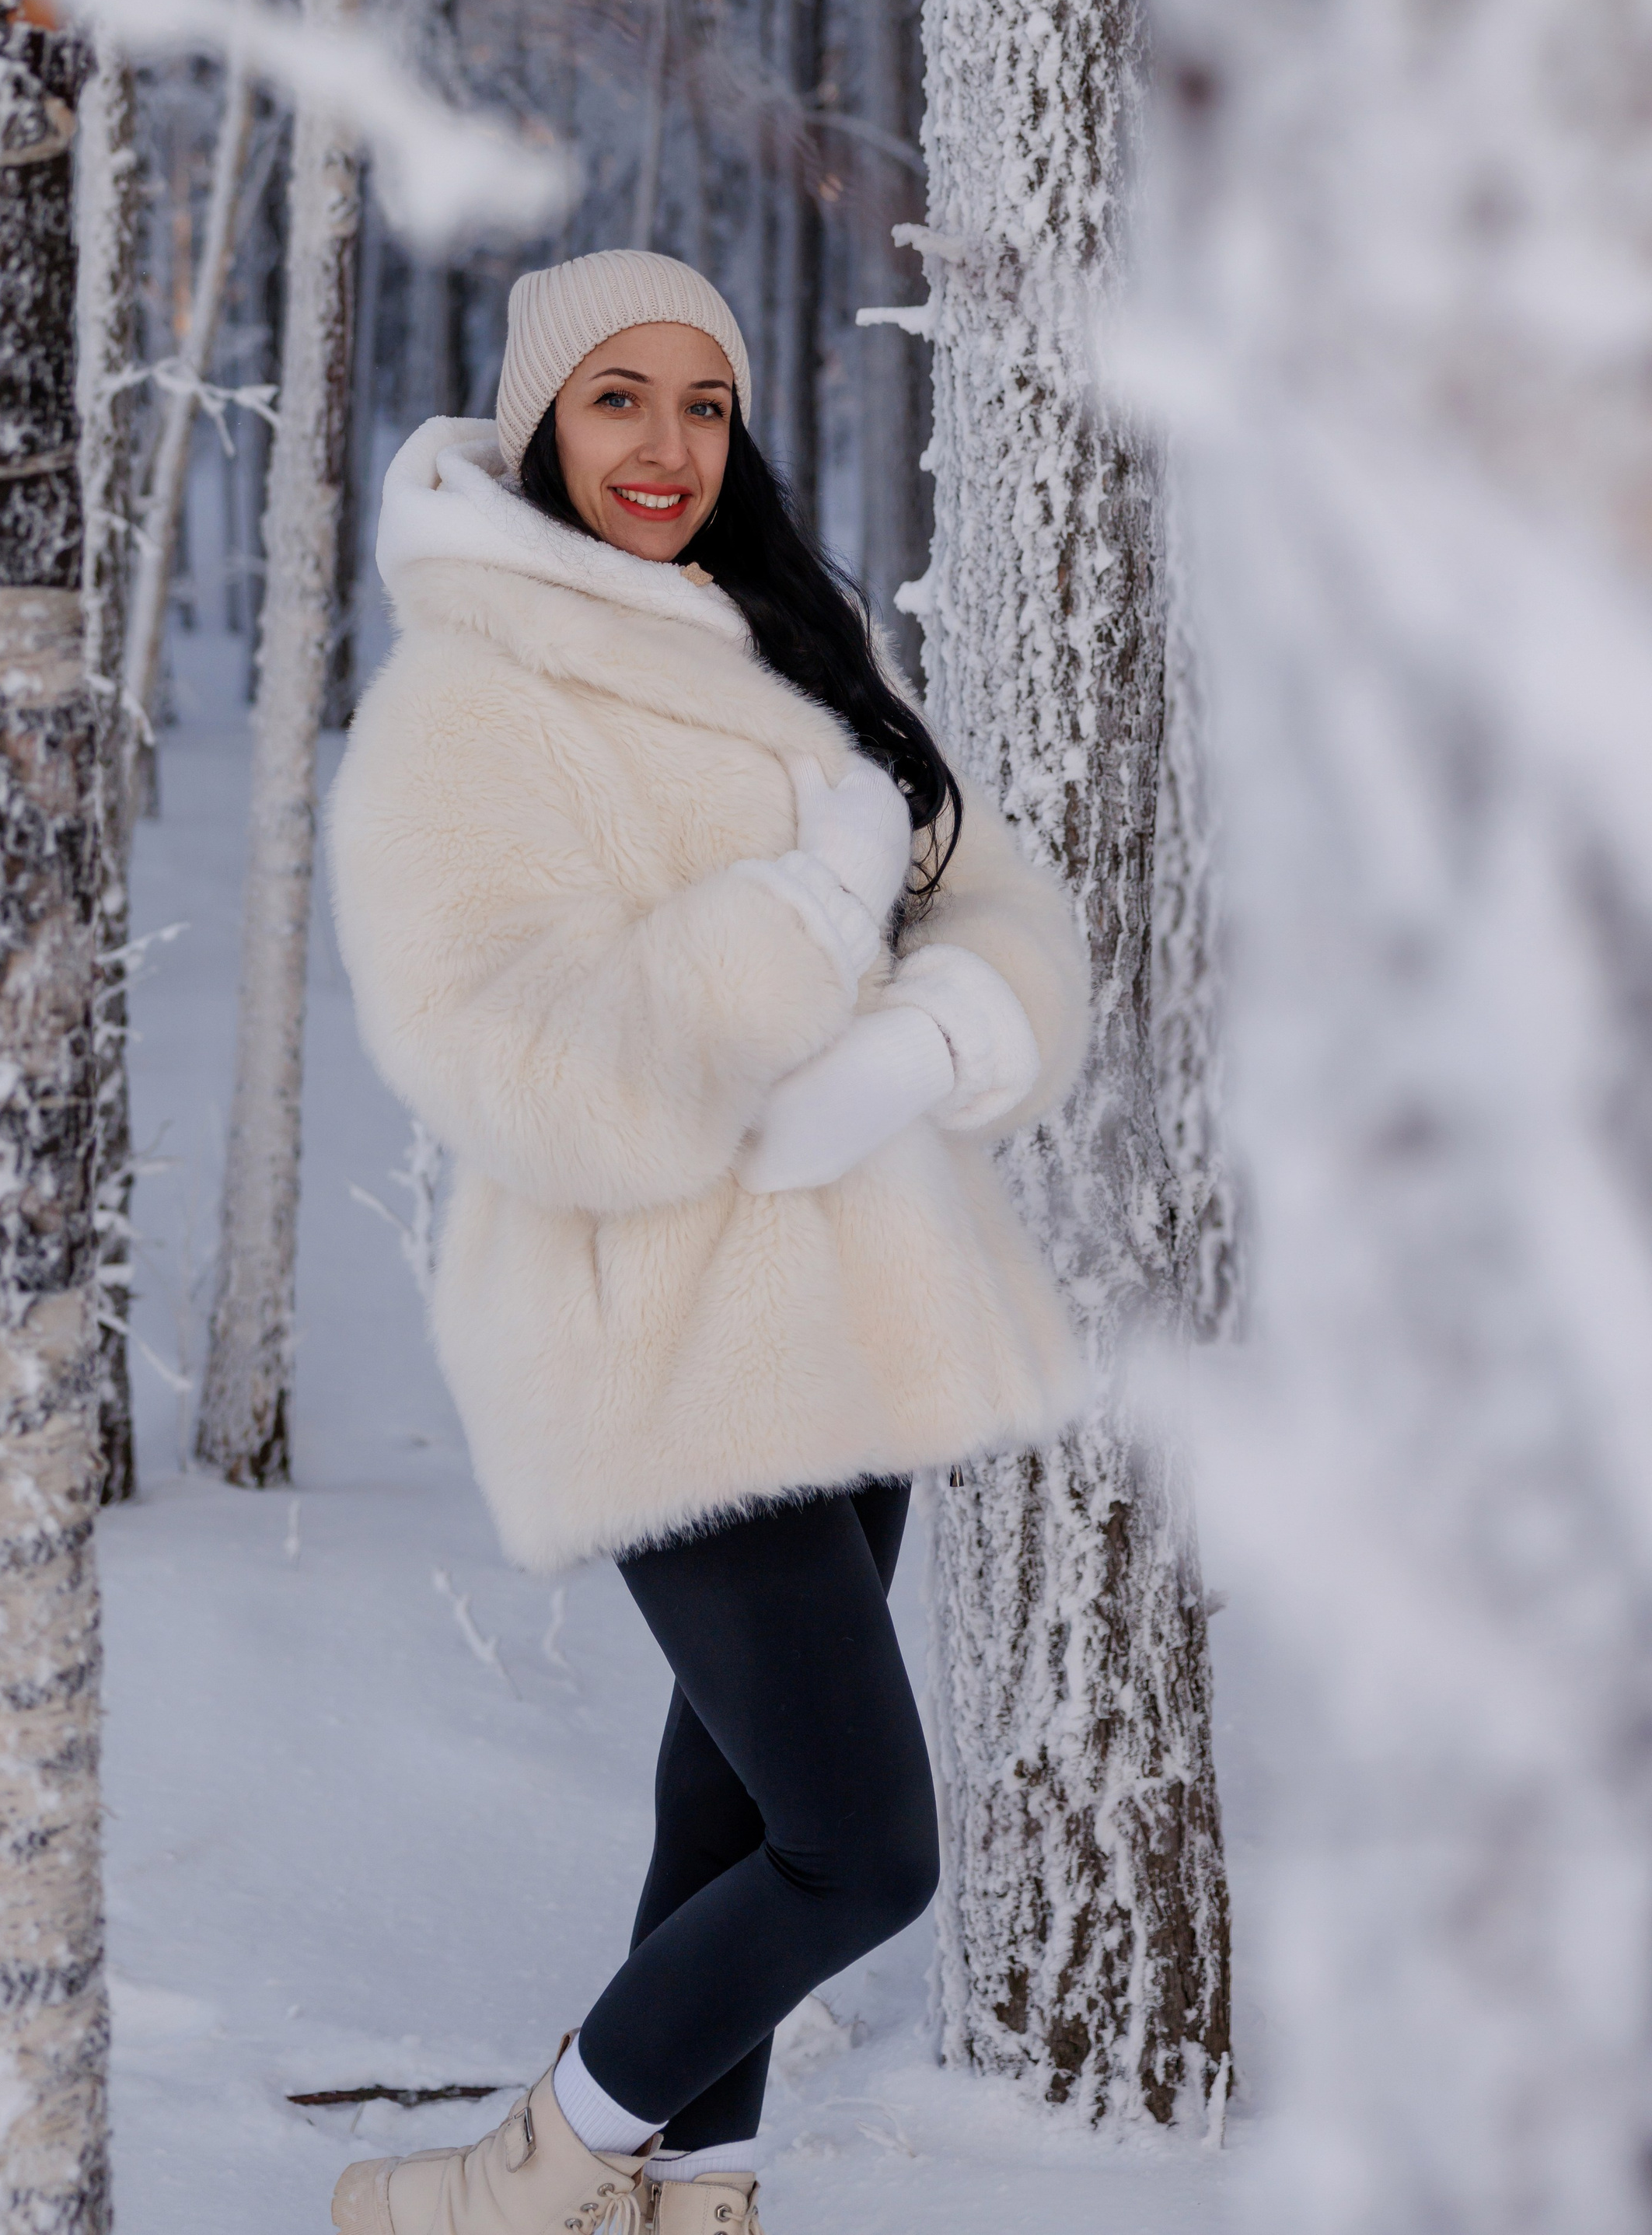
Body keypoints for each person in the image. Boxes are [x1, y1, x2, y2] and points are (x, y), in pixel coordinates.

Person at [327, 250, 1089, 2235]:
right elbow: (514, 1063)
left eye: (704, 404)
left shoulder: (788, 628)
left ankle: (700, 2196)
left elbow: (991, 892)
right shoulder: (468, 694)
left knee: (735, 1803)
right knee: (861, 1847)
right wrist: (803, 917)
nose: (666, 448)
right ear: (535, 418)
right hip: (649, 1326)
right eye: (615, 400)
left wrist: (927, 1031)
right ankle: (510, 2177)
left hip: (856, 1307)